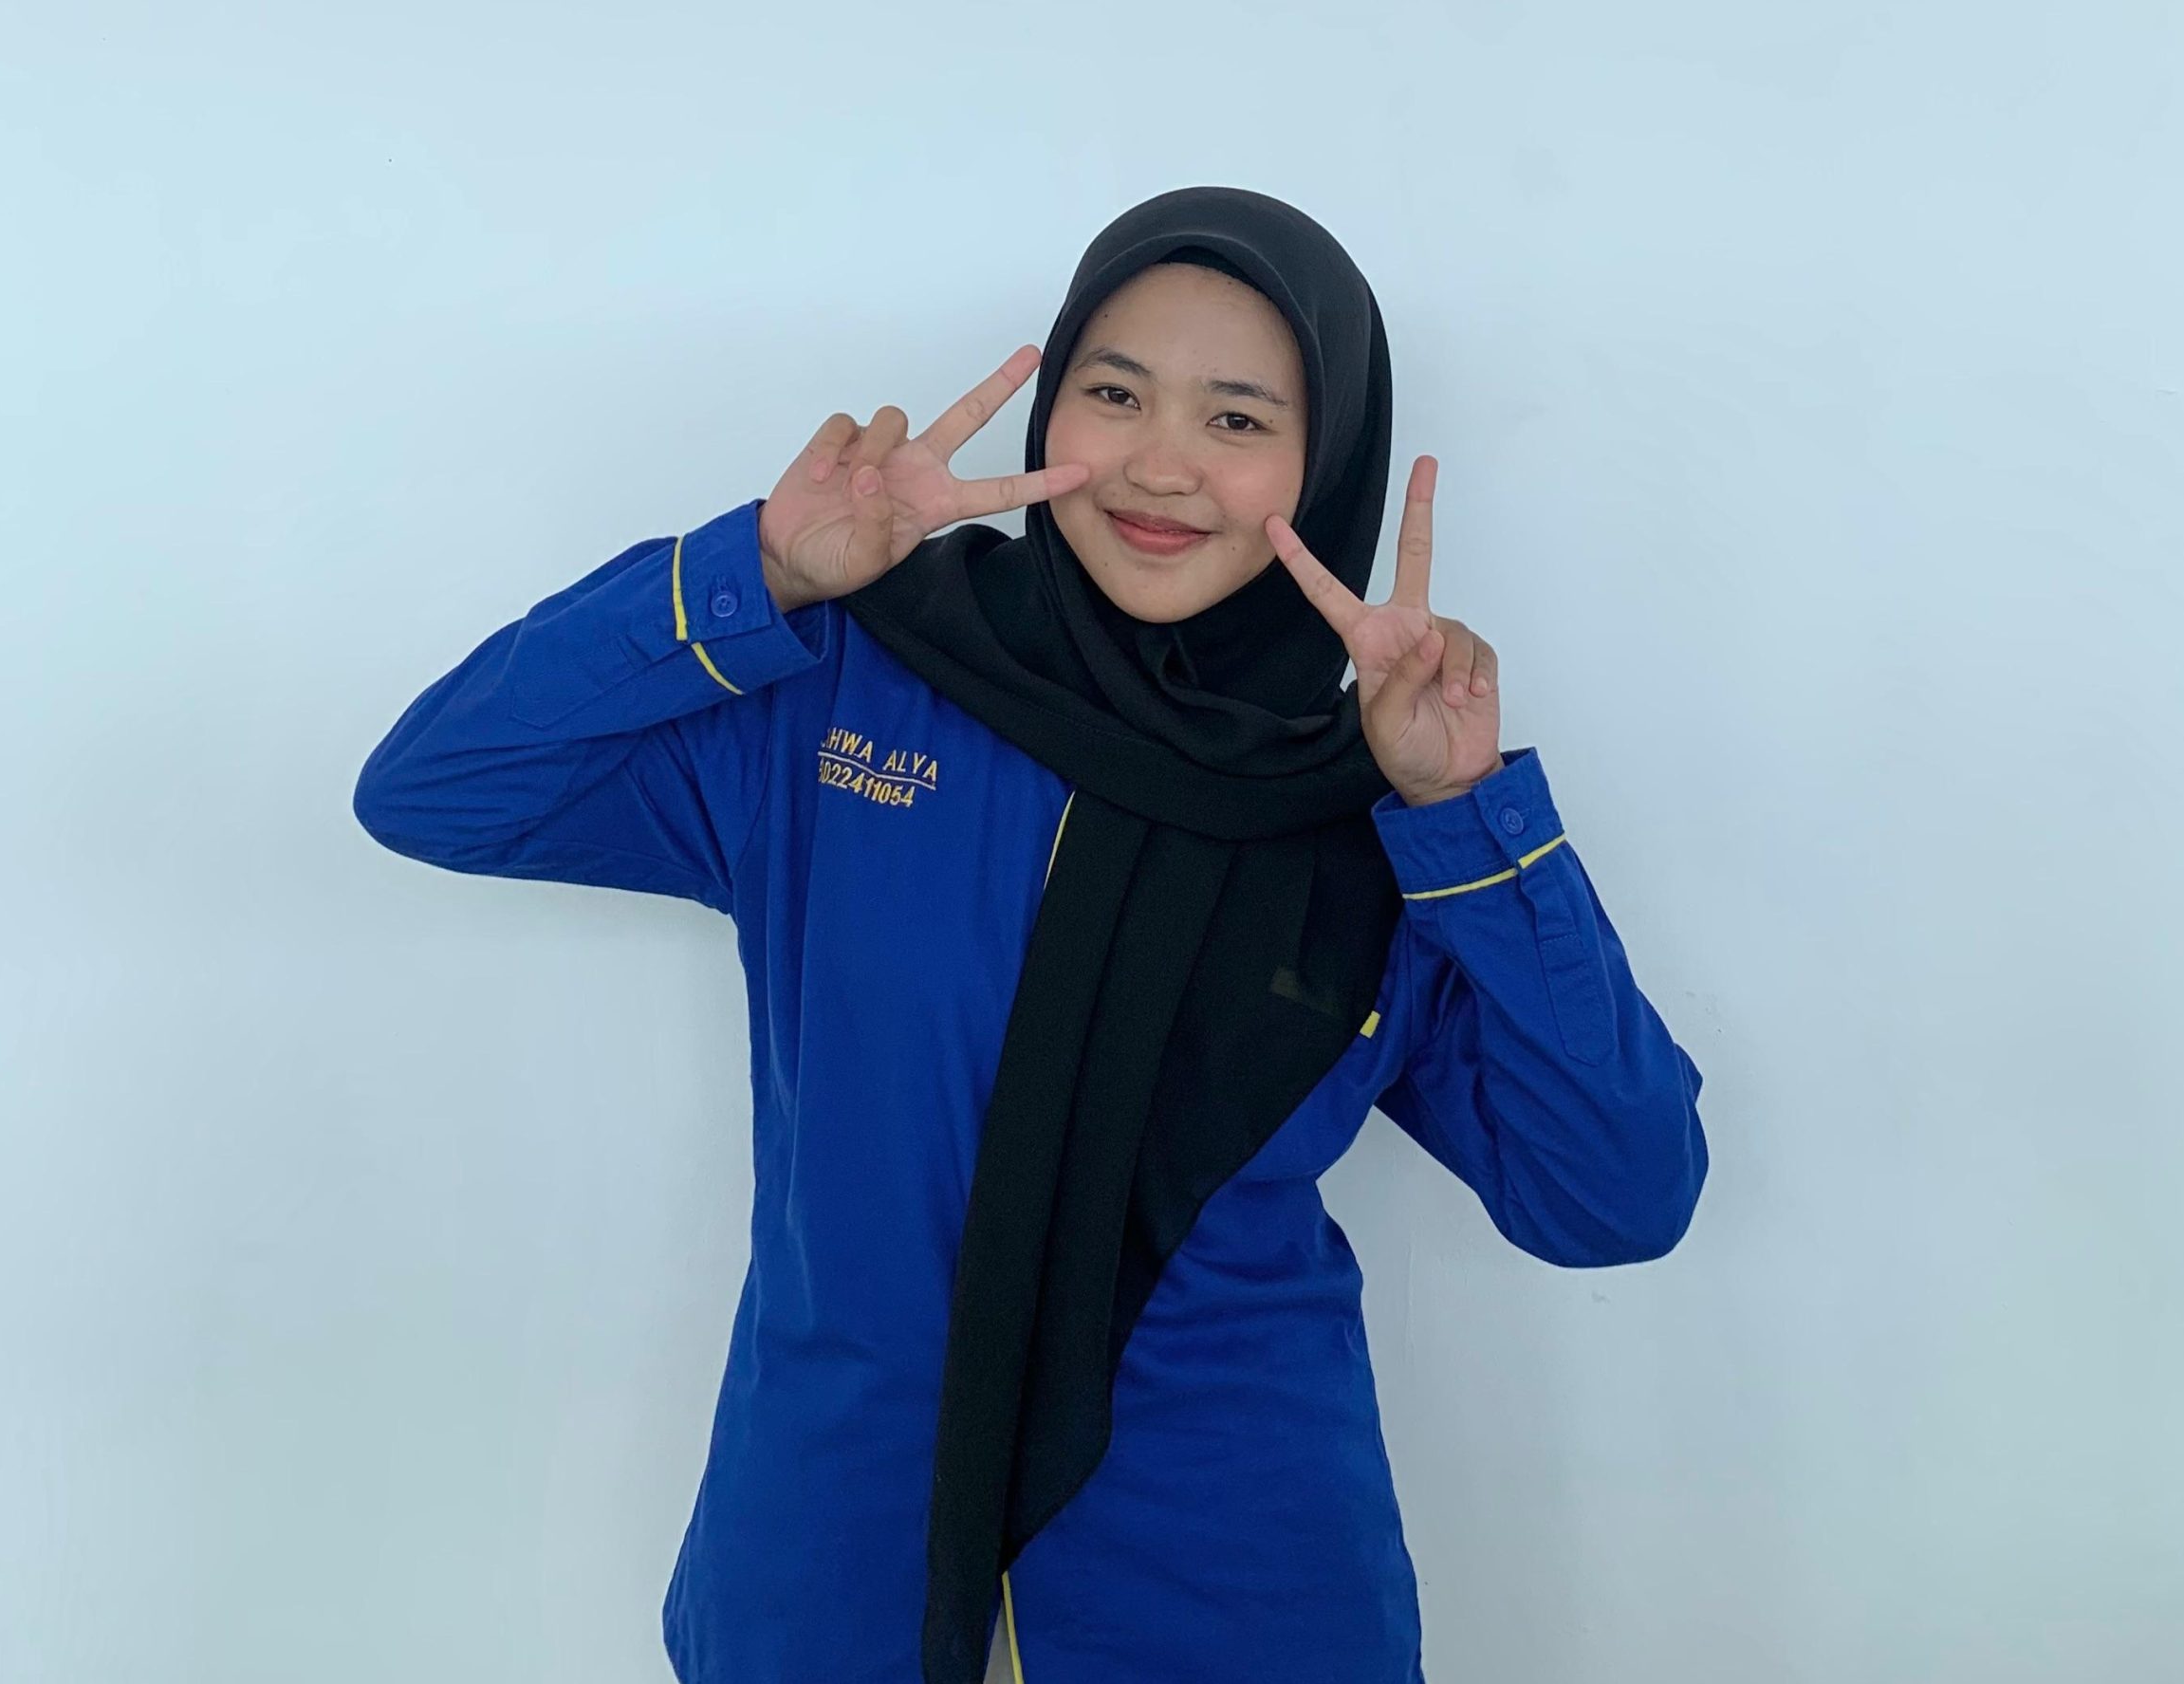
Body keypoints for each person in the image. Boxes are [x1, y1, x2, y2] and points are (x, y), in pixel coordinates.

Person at [353, 184, 1709, 1684]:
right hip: (832, 1573)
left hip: (1230, 1602)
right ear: (1053, 398)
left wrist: (1469, 819)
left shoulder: (1370, 821)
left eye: (1238, 418)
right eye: (1116, 393)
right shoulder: (846, 691)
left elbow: (1614, 1200)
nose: (1161, 464)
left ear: (1326, 466)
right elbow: (439, 790)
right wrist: (764, 570)